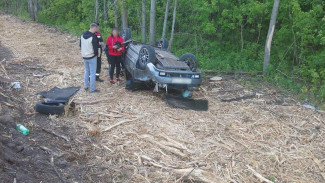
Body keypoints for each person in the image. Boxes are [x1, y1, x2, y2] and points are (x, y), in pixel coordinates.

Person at [80, 23, 100, 93]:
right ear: (94, 28)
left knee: (87, 71)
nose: (97, 30)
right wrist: (96, 55)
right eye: (97, 29)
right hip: (91, 57)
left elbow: (80, 45)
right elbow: (95, 49)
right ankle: (92, 89)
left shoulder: (82, 35)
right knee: (92, 73)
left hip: (84, 56)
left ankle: (85, 86)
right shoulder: (93, 37)